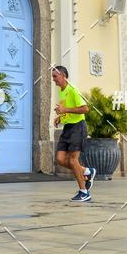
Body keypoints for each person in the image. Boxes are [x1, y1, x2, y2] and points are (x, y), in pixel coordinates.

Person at [52, 65, 96, 202]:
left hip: (78, 127)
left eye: (55, 76)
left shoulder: (73, 90)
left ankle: (84, 192)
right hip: (68, 128)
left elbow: (85, 109)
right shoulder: (61, 91)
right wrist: (60, 116)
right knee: (60, 159)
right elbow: (66, 109)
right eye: (52, 76)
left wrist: (65, 109)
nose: (53, 80)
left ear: (63, 76)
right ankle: (87, 171)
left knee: (72, 160)